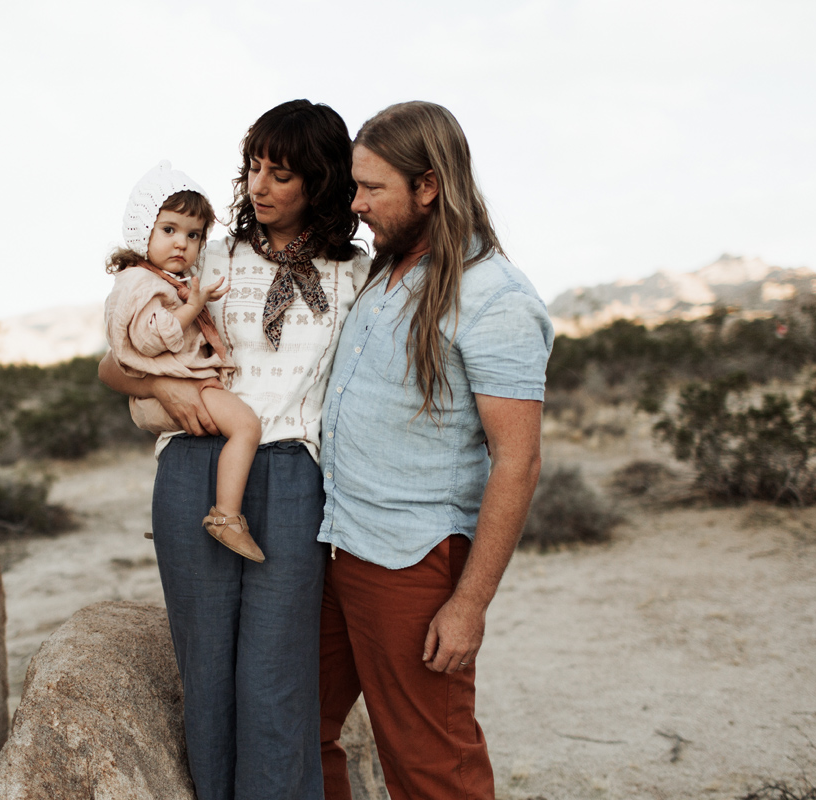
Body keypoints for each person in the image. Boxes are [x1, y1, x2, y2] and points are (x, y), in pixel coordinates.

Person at [98, 100, 367, 800]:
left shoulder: (355, 273)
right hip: (194, 465)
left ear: (320, 179)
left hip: (290, 475)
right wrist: (165, 386)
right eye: (254, 167)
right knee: (207, 667)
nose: (260, 186)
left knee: (277, 674)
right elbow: (113, 364)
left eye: (282, 173)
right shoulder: (208, 255)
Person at [316, 101, 554, 800]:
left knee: (428, 767)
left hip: (412, 561)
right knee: (297, 728)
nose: (355, 204)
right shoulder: (382, 273)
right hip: (334, 543)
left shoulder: (495, 297)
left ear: (429, 187)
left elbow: (520, 461)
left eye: (372, 189)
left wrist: (469, 604)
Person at [104, 161, 265, 562]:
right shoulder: (141, 283)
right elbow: (148, 338)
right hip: (178, 386)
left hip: (182, 385)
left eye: (194, 235)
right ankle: (225, 516)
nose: (182, 244)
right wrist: (192, 307)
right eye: (169, 230)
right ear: (145, 231)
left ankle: (182, 520)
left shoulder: (156, 280)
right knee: (246, 426)